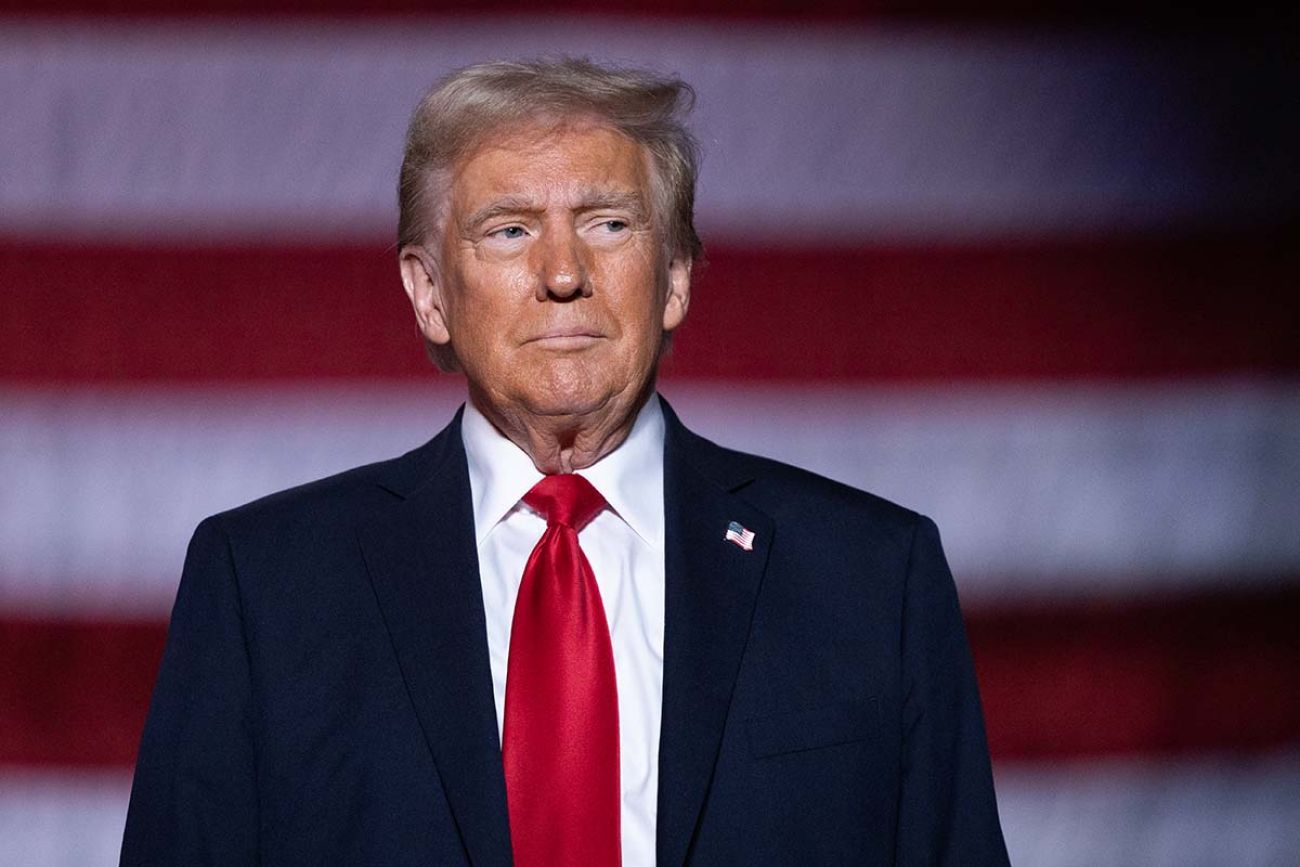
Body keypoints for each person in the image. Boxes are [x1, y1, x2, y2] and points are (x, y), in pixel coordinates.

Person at [121, 58, 1009, 866]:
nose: (561, 273)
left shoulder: (870, 577)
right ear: (430, 293)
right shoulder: (265, 586)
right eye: (508, 231)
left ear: (675, 278)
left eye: (608, 223)